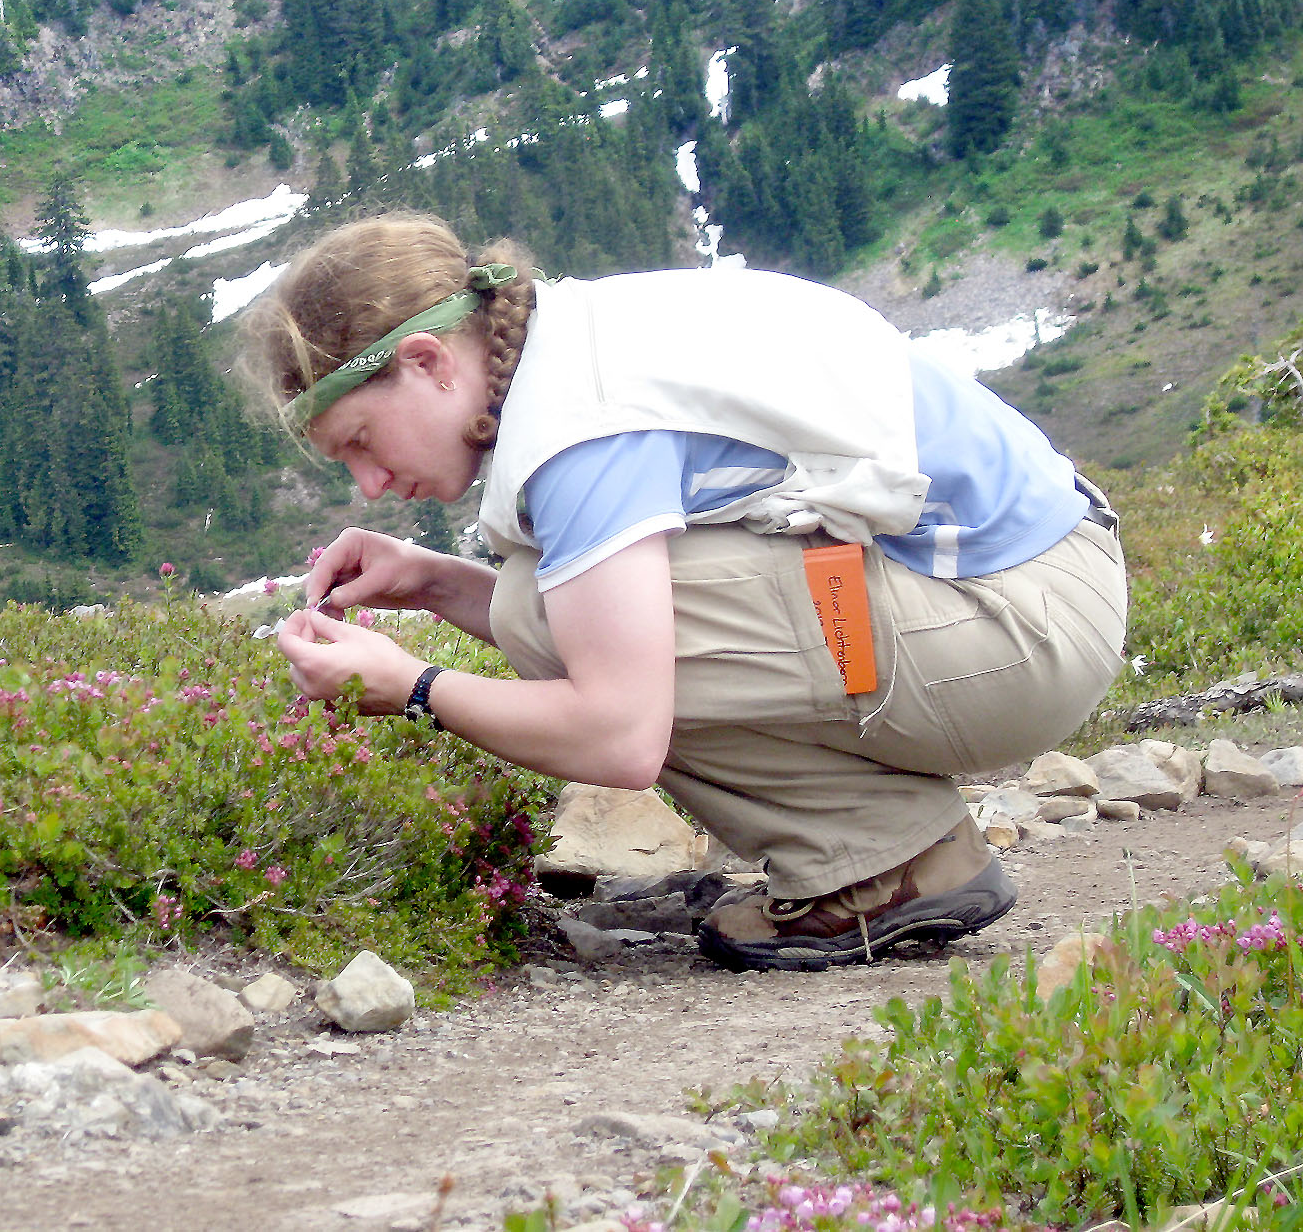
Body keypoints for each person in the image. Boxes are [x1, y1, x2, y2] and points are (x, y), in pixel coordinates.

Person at [245, 212, 1127, 972]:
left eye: (361, 438)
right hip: (1030, 590)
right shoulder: (570, 338)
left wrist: (412, 690)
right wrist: (435, 583)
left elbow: (620, 732)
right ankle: (894, 852)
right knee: (535, 602)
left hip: (1020, 621)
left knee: (552, 618)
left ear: (429, 359)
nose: (367, 482)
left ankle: (876, 865)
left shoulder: (576, 428)